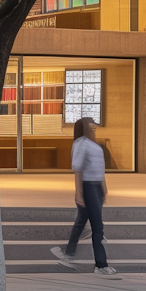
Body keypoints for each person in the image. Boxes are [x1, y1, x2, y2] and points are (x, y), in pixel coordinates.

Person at [52, 117, 121, 277]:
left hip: (96, 187)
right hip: (88, 187)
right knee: (98, 226)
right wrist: (79, 193)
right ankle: (101, 264)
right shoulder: (80, 144)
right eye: (91, 127)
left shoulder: (94, 144)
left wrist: (103, 186)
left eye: (94, 127)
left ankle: (68, 253)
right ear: (84, 129)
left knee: (82, 221)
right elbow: (78, 169)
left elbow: (100, 167)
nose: (94, 129)